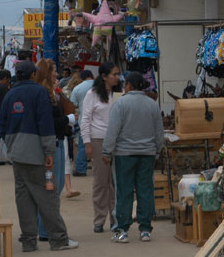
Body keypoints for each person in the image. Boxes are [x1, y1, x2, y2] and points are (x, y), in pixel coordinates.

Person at [0, 60, 78, 252]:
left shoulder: (10, 94)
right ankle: (58, 239)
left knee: (23, 198)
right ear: (33, 75)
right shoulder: (40, 92)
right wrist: (49, 151)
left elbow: (0, 125)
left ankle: (28, 241)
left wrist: (11, 146)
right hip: (39, 155)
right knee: (48, 196)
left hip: (17, 155)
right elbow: (45, 123)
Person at [104, 72, 164, 243]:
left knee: (124, 191)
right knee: (146, 191)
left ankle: (122, 230)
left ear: (129, 85)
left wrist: (107, 151)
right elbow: (159, 133)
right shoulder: (152, 105)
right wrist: (157, 151)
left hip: (124, 155)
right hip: (147, 154)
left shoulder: (120, 104)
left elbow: (113, 131)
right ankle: (145, 230)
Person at [34, 59, 76, 241]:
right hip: (52, 146)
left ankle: (44, 228)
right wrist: (68, 120)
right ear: (46, 73)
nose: (57, 74)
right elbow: (48, 122)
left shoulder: (51, 92)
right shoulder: (44, 94)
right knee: (51, 189)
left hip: (57, 142)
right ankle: (46, 230)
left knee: (53, 189)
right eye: (54, 71)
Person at [81, 63, 120, 233]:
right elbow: (85, 119)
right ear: (104, 76)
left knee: (116, 183)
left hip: (118, 142)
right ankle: (99, 219)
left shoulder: (118, 94)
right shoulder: (93, 94)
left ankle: (116, 218)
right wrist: (87, 143)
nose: (117, 78)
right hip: (98, 141)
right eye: (114, 74)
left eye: (118, 74)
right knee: (100, 182)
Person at [69, 70, 94, 176]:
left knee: (82, 145)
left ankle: (80, 169)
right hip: (100, 121)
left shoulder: (77, 88)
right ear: (92, 76)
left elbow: (72, 105)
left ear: (81, 78)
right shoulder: (100, 86)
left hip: (83, 120)